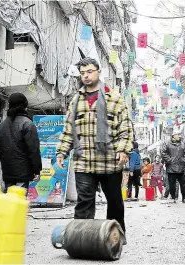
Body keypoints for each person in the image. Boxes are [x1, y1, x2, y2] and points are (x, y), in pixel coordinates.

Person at [56, 57, 134, 242]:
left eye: (89, 71)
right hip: (83, 161)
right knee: (84, 201)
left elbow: (125, 128)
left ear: (99, 71)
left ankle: (116, 237)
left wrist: (123, 150)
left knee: (114, 202)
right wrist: (62, 152)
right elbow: (69, 129)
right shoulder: (76, 100)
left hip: (109, 161)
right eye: (82, 73)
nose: (86, 76)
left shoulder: (114, 98)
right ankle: (81, 239)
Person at [0, 93, 41, 194]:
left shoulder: (1, 126)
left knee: (10, 202)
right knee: (19, 201)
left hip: (7, 171)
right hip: (23, 172)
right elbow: (33, 149)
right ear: (24, 106)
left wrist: (6, 161)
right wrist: (37, 170)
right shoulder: (28, 124)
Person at [160, 127, 185, 204]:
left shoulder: (183, 143)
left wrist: (184, 160)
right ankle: (173, 197)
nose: (179, 136)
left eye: (179, 135)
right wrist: (169, 160)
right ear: (173, 136)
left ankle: (184, 197)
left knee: (183, 184)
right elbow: (163, 152)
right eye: (177, 135)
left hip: (181, 167)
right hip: (171, 167)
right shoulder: (167, 143)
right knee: (171, 184)